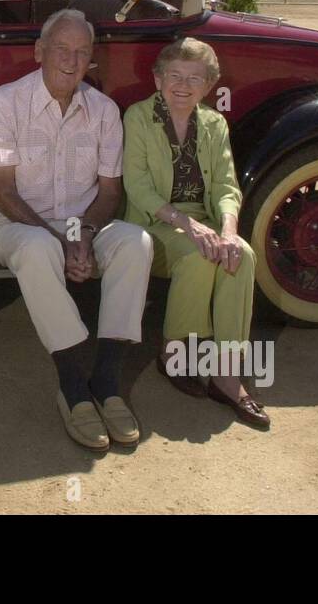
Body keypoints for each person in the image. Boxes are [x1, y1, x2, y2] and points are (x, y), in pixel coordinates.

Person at [0, 9, 154, 450]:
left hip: (84, 226)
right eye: (61, 49)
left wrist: (85, 235)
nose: (72, 61)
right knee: (39, 250)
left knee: (137, 242)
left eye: (82, 52)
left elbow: (110, 191)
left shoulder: (104, 110)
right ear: (39, 51)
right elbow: (2, 193)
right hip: (16, 225)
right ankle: (73, 387)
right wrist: (63, 243)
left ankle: (107, 382)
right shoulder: (4, 103)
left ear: (91, 59)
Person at [121, 37, 270, 429]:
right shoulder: (138, 117)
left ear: (208, 86)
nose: (183, 85)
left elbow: (225, 185)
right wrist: (188, 225)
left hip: (202, 219)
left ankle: (226, 373)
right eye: (174, 76)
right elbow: (137, 186)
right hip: (155, 221)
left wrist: (230, 230)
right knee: (197, 256)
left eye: (194, 78)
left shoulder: (214, 123)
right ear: (158, 80)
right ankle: (173, 355)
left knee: (242, 256)